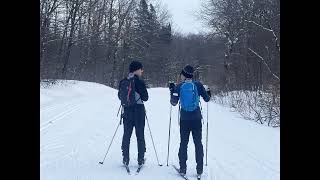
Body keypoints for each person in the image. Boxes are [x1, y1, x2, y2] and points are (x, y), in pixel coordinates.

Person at [169, 65, 211, 176]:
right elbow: (207, 99)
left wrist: (172, 90)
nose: (181, 76)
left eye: (181, 74)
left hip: (184, 119)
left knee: (183, 143)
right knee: (198, 143)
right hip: (197, 118)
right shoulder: (198, 85)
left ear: (184, 75)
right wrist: (208, 92)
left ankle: (183, 169)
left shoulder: (179, 86)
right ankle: (199, 169)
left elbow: (173, 103)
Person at [118, 60, 149, 166]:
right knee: (140, 135)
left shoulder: (124, 81)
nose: (142, 71)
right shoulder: (140, 81)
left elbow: (119, 96)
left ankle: (125, 158)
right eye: (141, 69)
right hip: (139, 111)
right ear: (137, 70)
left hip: (127, 111)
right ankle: (140, 159)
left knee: (127, 134)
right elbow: (145, 98)